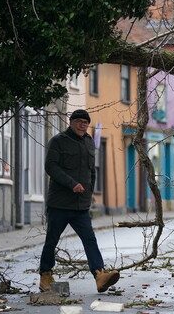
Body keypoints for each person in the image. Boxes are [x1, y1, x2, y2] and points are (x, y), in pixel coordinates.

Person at [39, 109, 120, 293]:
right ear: (71, 122)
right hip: (59, 203)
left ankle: (99, 275)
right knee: (51, 241)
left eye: (85, 122)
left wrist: (89, 191)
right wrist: (71, 183)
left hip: (80, 206)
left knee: (90, 239)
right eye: (79, 121)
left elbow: (92, 171)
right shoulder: (58, 141)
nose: (83, 125)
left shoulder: (89, 142)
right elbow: (50, 166)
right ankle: (45, 275)